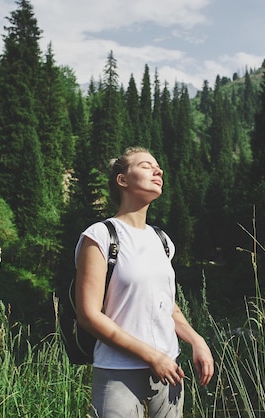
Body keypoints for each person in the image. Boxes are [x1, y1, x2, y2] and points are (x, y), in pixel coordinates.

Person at [75, 146, 214, 417]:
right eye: (146, 165)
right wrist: (151, 356)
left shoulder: (162, 240)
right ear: (122, 180)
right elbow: (88, 315)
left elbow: (167, 306)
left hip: (170, 371)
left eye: (158, 167)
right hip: (118, 373)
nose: (158, 171)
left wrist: (196, 341)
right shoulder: (100, 236)